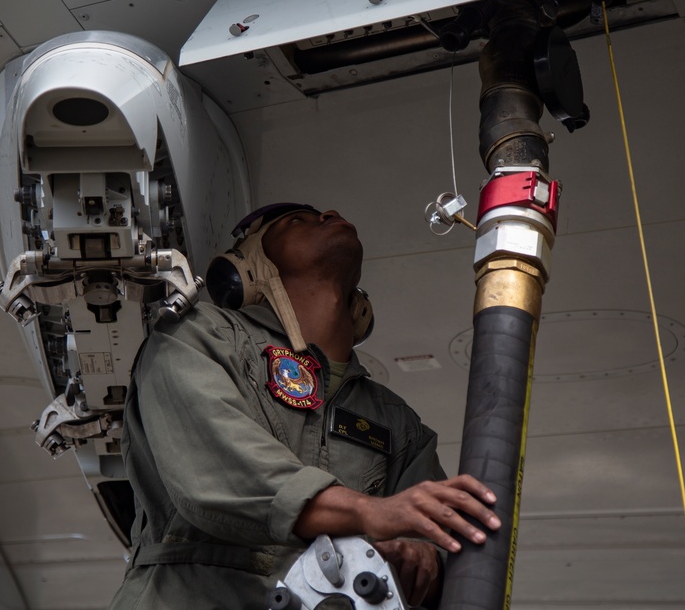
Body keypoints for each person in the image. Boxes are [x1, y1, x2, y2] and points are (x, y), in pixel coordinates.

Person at [108, 203, 500, 609]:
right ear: (248, 269)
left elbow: (436, 537)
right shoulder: (196, 338)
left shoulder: (396, 424)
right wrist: (368, 511)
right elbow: (219, 479)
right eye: (298, 221)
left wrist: (425, 560)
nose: (329, 213)